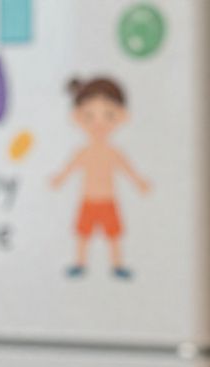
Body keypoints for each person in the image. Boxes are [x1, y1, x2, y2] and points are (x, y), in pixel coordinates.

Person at [50, 76, 151, 279]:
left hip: (108, 200)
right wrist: (59, 179)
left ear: (122, 116)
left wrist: (139, 182)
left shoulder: (113, 152)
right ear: (77, 117)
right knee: (83, 234)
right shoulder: (84, 152)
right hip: (88, 200)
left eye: (108, 115)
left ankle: (117, 265)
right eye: (89, 116)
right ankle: (80, 263)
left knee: (113, 235)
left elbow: (126, 168)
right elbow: (70, 168)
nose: (99, 123)